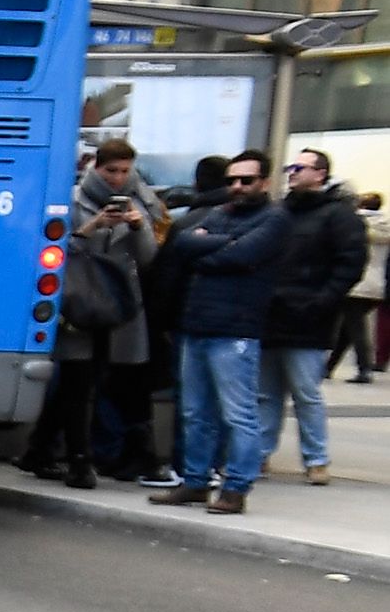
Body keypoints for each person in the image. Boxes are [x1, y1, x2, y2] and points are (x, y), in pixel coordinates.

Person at [156, 148, 289, 515]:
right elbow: (183, 244)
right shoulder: (219, 212)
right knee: (195, 412)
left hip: (235, 330)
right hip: (196, 324)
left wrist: (209, 246)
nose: (238, 187)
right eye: (232, 180)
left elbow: (243, 255)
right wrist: (220, 247)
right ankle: (195, 481)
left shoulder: (275, 218)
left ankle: (236, 487)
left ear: (264, 182)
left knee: (238, 414)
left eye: (247, 180)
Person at [28, 136, 158, 487]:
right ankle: (78, 461)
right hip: (79, 301)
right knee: (77, 383)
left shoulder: (138, 201)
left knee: (87, 383)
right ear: (96, 168)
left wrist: (136, 226)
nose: (117, 178)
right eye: (111, 170)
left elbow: (148, 258)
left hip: (117, 305)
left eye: (124, 171)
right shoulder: (72, 200)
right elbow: (54, 250)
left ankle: (40, 448)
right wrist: (92, 227)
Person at [264, 146, 365, 487]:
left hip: (308, 318)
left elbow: (349, 263)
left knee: (305, 391)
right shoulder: (279, 212)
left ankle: (316, 458)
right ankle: (261, 452)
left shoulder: (338, 216)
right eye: (290, 167)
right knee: (267, 392)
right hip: (273, 315)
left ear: (320, 174)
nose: (292, 172)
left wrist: (322, 301)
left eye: (299, 167)